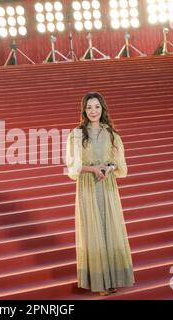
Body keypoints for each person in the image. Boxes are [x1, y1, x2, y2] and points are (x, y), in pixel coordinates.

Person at [66, 92, 135, 296]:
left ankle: (113, 278)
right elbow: (73, 166)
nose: (93, 111)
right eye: (89, 107)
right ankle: (99, 282)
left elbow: (120, 164)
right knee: (93, 231)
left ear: (102, 109)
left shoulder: (111, 133)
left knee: (109, 227)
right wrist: (93, 170)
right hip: (88, 185)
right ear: (84, 111)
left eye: (96, 107)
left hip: (107, 185)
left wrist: (108, 168)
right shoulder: (77, 134)